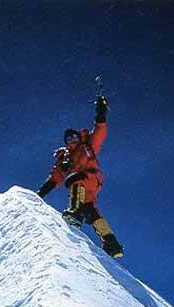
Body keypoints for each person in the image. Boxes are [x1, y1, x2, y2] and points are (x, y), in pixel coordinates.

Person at [37, 96, 124, 258]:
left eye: (74, 137)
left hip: (91, 177)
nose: (72, 141)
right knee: (90, 210)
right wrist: (40, 194)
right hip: (83, 188)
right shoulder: (65, 159)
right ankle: (112, 243)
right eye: (69, 139)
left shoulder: (87, 146)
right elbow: (55, 177)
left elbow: (100, 132)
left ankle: (75, 213)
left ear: (79, 137)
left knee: (74, 179)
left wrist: (101, 112)